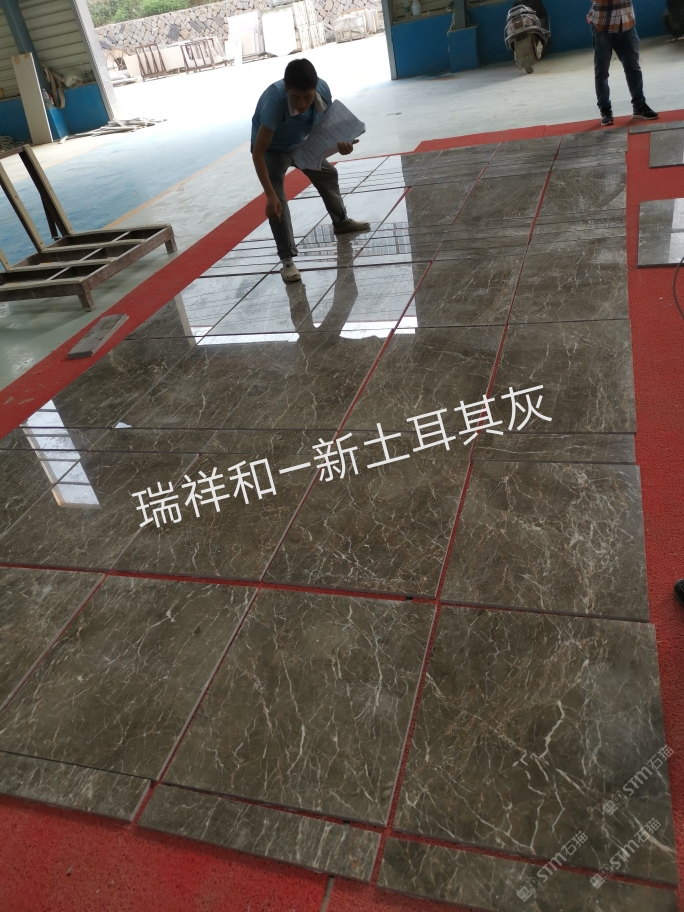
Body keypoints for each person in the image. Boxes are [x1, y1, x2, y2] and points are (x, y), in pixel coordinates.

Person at [251, 58, 370, 283]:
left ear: (315, 88)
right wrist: (269, 194)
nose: (302, 103)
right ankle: (287, 260)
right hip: (271, 149)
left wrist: (342, 145)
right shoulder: (274, 103)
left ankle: (341, 222)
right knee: (277, 201)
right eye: (295, 97)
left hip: (301, 143)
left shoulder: (323, 90)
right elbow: (258, 153)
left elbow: (329, 130)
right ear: (287, 90)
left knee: (327, 174)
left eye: (307, 96)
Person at [586, 1, 658, 127]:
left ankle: (639, 107)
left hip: (626, 25)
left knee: (633, 68)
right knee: (602, 71)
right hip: (602, 26)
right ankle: (605, 110)